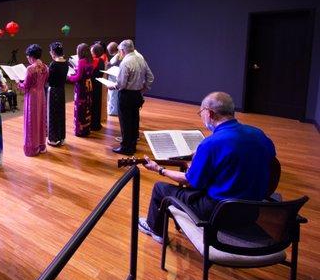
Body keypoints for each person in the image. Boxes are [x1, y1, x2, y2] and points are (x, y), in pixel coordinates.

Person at [138, 92, 277, 243]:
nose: (202, 117)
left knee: (160, 188)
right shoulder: (258, 134)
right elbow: (270, 161)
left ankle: (155, 229)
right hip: (252, 211)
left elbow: (190, 181)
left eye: (201, 113)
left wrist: (159, 169)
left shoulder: (211, 143)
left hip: (219, 212)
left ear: (210, 113)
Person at [107, 39, 154, 155]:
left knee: (125, 122)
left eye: (119, 51)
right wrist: (143, 89)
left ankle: (126, 148)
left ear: (122, 51)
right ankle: (133, 144)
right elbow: (150, 77)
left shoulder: (125, 62)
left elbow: (121, 84)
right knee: (134, 120)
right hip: (137, 95)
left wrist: (112, 86)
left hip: (126, 95)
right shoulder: (140, 58)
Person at [18, 44, 49, 156]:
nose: (28, 59)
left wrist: (19, 83)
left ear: (31, 56)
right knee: (40, 119)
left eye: (27, 57)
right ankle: (41, 145)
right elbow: (45, 81)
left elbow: (26, 85)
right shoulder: (45, 67)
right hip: (41, 95)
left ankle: (32, 147)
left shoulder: (30, 68)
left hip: (32, 97)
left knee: (31, 121)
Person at [67, 43, 94, 137]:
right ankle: (86, 129)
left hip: (81, 87)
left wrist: (69, 77)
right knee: (87, 107)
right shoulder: (90, 60)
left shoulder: (81, 61)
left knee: (80, 108)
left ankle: (80, 131)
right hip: (89, 86)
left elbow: (78, 77)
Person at [47, 41, 69, 146]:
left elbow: (50, 80)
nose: (50, 53)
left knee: (53, 114)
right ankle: (61, 137)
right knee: (60, 113)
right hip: (62, 90)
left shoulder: (54, 64)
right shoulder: (65, 62)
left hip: (54, 91)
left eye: (51, 51)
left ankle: (53, 139)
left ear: (54, 52)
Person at [90, 43, 106, 131]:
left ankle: (93, 125)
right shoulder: (101, 60)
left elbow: (90, 72)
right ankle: (96, 123)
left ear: (95, 52)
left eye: (91, 50)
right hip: (99, 84)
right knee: (97, 103)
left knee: (93, 104)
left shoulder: (94, 60)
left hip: (93, 84)